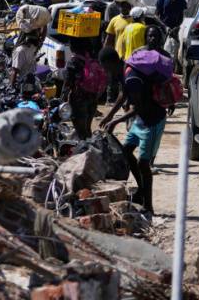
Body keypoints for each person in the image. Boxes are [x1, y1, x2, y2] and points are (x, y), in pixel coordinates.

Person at [102, 43, 172, 215]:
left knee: (143, 163)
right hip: (140, 120)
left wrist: (115, 121)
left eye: (105, 68)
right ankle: (141, 191)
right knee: (126, 152)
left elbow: (138, 107)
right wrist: (109, 115)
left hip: (152, 120)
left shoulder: (132, 77)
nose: (106, 72)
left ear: (110, 64)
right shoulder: (126, 70)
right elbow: (123, 95)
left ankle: (149, 205)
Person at [63, 38, 104, 139]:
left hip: (78, 100)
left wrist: (63, 99)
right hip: (92, 98)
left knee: (80, 131)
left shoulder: (74, 61)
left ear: (73, 46)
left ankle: (85, 151)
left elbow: (68, 84)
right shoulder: (91, 59)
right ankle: (90, 149)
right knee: (87, 128)